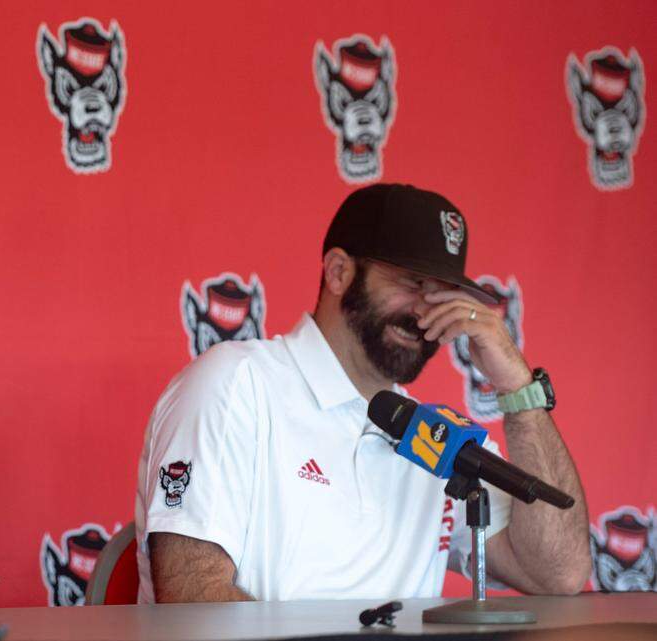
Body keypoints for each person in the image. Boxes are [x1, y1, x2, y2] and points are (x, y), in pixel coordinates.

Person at [135, 183, 591, 603]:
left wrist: (517, 388)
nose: (426, 313)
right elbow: (193, 600)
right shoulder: (237, 385)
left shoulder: (437, 438)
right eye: (412, 283)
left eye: (444, 295)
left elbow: (559, 574)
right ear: (338, 272)